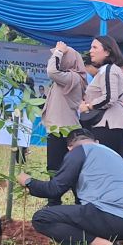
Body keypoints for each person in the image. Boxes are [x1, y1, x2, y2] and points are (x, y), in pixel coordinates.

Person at [16, 128, 123, 245]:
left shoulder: (79, 151)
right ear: (96, 141)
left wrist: (28, 181)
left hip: (114, 217)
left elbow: (54, 189)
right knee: (81, 212)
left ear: (69, 147)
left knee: (41, 218)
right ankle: (102, 239)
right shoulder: (113, 154)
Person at [43, 42, 87, 206]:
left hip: (64, 130)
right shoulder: (68, 77)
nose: (58, 58)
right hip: (61, 128)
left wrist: (59, 52)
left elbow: (51, 71)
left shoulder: (73, 77)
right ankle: (58, 201)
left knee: (60, 167)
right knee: (57, 167)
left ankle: (60, 202)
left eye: (62, 56)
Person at [79, 36, 123, 156]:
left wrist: (88, 106)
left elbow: (109, 97)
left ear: (107, 51)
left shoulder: (110, 69)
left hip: (109, 124)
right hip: (107, 123)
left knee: (104, 162)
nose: (90, 50)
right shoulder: (105, 70)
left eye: (95, 47)